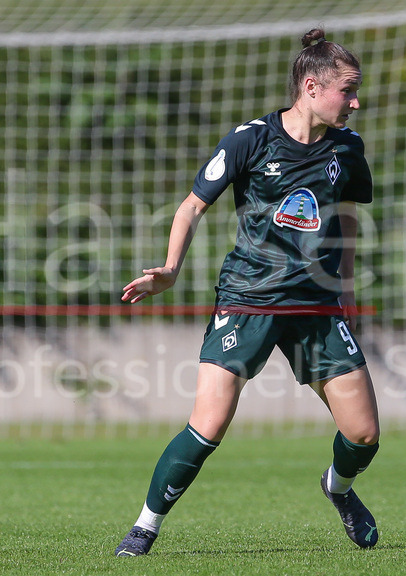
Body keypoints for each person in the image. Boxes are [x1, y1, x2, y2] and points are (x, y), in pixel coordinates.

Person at [114, 27, 381, 557]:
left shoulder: (347, 149)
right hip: (248, 300)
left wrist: (345, 291)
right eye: (347, 90)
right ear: (310, 87)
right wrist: (170, 269)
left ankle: (339, 489)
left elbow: (346, 220)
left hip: (318, 309)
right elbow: (192, 207)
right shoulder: (250, 140)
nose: (356, 101)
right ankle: (145, 527)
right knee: (209, 425)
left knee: (365, 434)